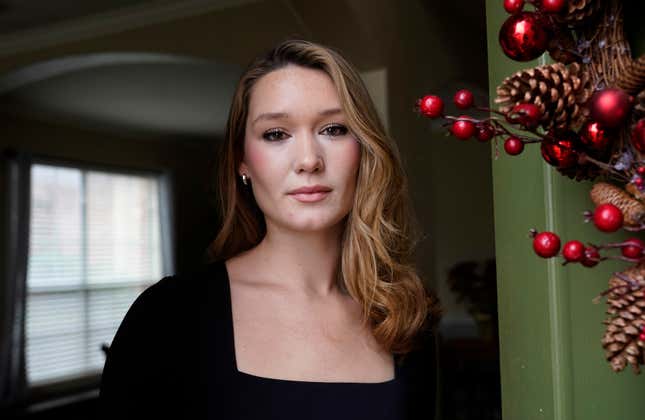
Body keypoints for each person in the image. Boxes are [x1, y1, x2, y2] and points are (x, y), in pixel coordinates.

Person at [98, 39, 441, 420]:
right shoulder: (169, 316)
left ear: (364, 149)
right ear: (242, 161)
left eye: (333, 129)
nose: (309, 160)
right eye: (276, 134)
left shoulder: (403, 315)